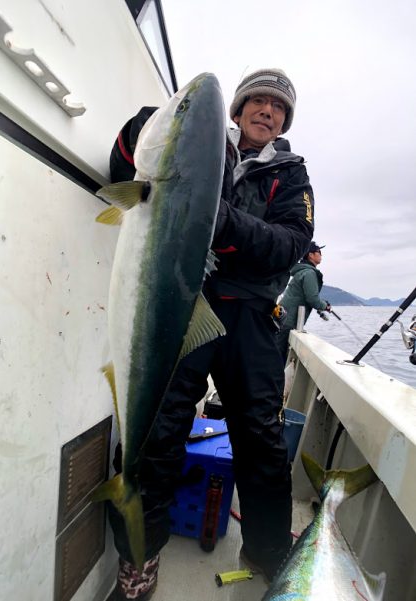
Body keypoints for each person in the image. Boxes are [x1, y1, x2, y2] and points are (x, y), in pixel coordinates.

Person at [106, 68, 314, 600]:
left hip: (250, 314)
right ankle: (139, 554)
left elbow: (289, 243)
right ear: (239, 109)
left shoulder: (291, 176)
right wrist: (141, 130)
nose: (266, 111)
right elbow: (125, 167)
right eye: (258, 101)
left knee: (262, 440)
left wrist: (215, 219)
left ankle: (266, 550)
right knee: (158, 428)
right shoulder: (205, 150)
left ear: (284, 119)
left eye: (277, 106)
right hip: (185, 299)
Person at [277, 241, 331, 362]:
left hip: (282, 319)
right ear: (310, 255)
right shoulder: (309, 273)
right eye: (319, 252)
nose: (321, 255)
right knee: (279, 358)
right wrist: (325, 306)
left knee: (277, 355)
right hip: (289, 321)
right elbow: (312, 299)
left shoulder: (301, 272)